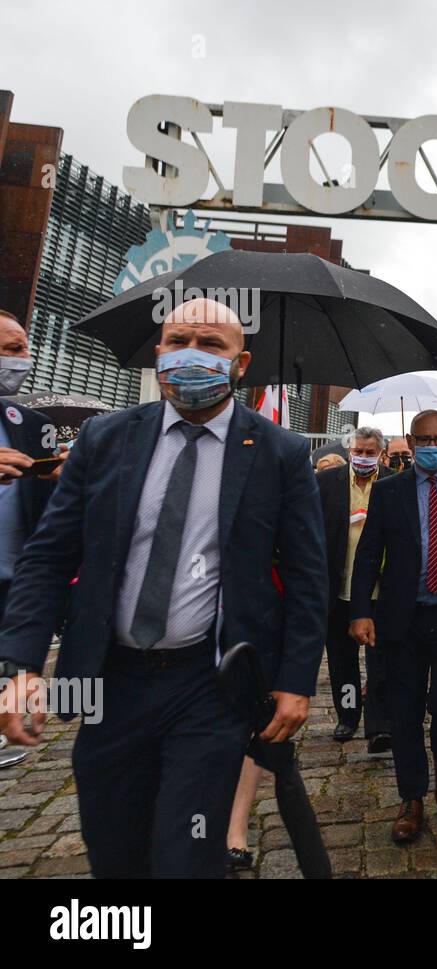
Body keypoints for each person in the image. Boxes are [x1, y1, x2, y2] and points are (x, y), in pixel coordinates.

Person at [0, 297, 327, 878]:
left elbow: (306, 577)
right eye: (178, 342)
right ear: (158, 353)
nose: (192, 356)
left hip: (209, 684)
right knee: (114, 848)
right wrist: (20, 664)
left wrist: (295, 681)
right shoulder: (106, 439)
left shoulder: (277, 452)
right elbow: (49, 556)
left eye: (211, 345)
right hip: (106, 682)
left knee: (187, 854)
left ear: (240, 362)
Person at [349, 410, 437, 840]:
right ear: (410, 440)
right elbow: (369, 553)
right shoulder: (390, 492)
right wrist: (360, 611)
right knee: (404, 711)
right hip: (402, 620)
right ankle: (412, 798)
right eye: (423, 439)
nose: (431, 447)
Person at [0, 308, 60, 771]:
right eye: (12, 350)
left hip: (14, 576)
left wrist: (61, 475)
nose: (25, 359)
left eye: (25, 349)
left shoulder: (29, 422)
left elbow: (50, 508)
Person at [318, 427, 394, 748]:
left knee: (380, 663)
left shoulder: (393, 482)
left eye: (370, 451)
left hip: (379, 593)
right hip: (339, 589)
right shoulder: (326, 483)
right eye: (359, 451)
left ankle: (378, 724)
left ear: (381, 452)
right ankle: (348, 716)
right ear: (350, 451)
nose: (364, 457)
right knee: (342, 661)